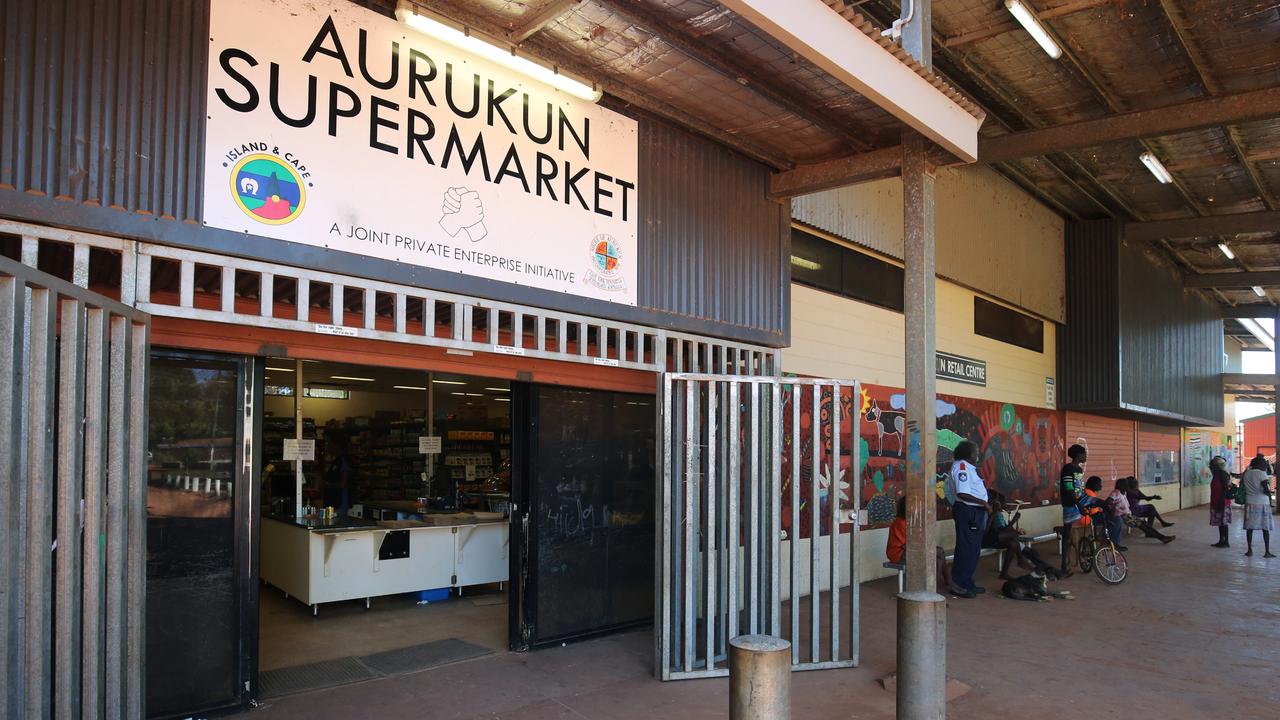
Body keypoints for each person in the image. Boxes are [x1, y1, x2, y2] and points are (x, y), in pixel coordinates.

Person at [886, 496, 957, 593]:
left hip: (909, 550)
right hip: (899, 553)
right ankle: (939, 588)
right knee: (938, 554)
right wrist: (925, 549)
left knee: (939, 555)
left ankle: (938, 588)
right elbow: (907, 544)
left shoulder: (910, 521)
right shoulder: (900, 522)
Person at [948, 440, 989, 598]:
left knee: (973, 550)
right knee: (966, 549)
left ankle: (967, 582)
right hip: (968, 511)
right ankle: (958, 584)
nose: (977, 454)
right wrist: (984, 503)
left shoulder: (968, 467)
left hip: (974, 511)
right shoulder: (962, 467)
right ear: (967, 453)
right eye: (975, 451)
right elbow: (962, 493)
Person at [984, 489, 1055, 579]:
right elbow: (989, 532)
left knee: (1014, 543)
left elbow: (1003, 530)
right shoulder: (988, 513)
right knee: (1016, 539)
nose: (1001, 506)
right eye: (999, 503)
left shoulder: (997, 514)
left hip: (999, 538)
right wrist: (1012, 521)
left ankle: (1004, 573)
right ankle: (1022, 560)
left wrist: (1015, 527)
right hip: (988, 539)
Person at [1113, 477, 1175, 543]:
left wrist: (1153, 497)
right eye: (1126, 485)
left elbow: (1145, 497)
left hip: (1129, 514)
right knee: (1145, 521)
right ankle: (1162, 535)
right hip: (1127, 514)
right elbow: (1109, 502)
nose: (1137, 483)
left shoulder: (1124, 493)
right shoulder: (1121, 493)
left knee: (1149, 516)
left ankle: (1161, 536)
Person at [1059, 444, 1088, 576]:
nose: (1085, 456)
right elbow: (1069, 489)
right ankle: (1064, 564)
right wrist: (1079, 505)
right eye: (1083, 454)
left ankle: (1081, 555)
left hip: (1078, 502)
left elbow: (1079, 489)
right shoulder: (1068, 469)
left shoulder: (1079, 470)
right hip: (1071, 504)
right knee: (1067, 534)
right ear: (1078, 455)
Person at [1241, 455, 1275, 558]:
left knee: (1249, 528)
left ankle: (1249, 550)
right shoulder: (1262, 474)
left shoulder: (1246, 473)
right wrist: (1269, 494)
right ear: (1260, 464)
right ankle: (1267, 552)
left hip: (1250, 502)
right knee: (1265, 528)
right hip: (1262, 503)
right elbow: (1265, 489)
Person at [1083, 476, 1125, 551]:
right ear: (1093, 484)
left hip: (1094, 515)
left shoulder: (1089, 492)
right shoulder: (1089, 493)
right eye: (1099, 484)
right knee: (1117, 520)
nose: (1101, 486)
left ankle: (1105, 538)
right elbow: (1099, 505)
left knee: (1113, 519)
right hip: (1091, 517)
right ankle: (1114, 543)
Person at [1209, 456, 1233, 548]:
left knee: (1224, 523)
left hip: (1222, 502)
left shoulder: (1222, 474)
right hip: (1217, 501)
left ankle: (1226, 541)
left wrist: (1221, 502)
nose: (1210, 468)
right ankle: (1221, 540)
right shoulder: (1217, 474)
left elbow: (1225, 489)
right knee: (1220, 523)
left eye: (1212, 466)